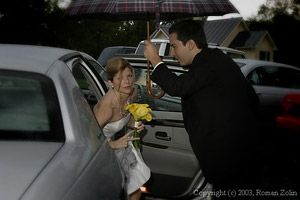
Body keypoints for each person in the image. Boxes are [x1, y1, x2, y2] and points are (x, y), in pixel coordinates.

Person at [144, 20, 261, 199]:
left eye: (174, 46)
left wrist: (155, 60)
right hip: (235, 158)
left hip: (230, 160)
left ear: (190, 44)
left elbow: (178, 87)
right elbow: (252, 99)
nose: (173, 53)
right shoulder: (212, 61)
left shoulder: (209, 62)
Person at [93, 57, 150, 200]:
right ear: (111, 82)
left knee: (136, 188)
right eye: (119, 78)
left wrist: (134, 123)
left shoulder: (132, 93)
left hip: (117, 145)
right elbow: (88, 138)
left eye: (129, 76)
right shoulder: (107, 107)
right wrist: (113, 144)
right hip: (99, 149)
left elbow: (126, 115)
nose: (127, 81)